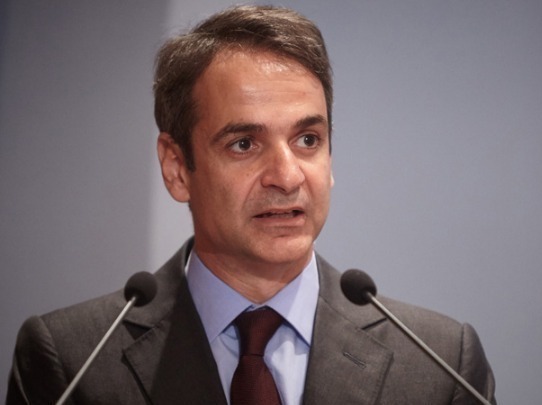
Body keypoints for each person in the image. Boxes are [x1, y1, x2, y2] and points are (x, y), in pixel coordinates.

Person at [7, 5, 496, 404]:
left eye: (308, 139)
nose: (287, 176)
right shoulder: (73, 360)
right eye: (244, 144)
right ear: (177, 168)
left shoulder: (440, 365)